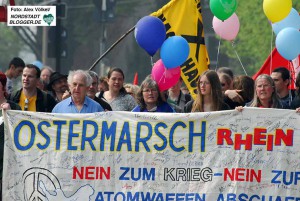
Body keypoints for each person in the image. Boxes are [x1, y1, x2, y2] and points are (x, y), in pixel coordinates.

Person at [0, 72, 21, 198]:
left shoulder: (14, 107)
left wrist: (10, 114)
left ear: (2, 87)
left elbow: (21, 136)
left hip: (7, 169)